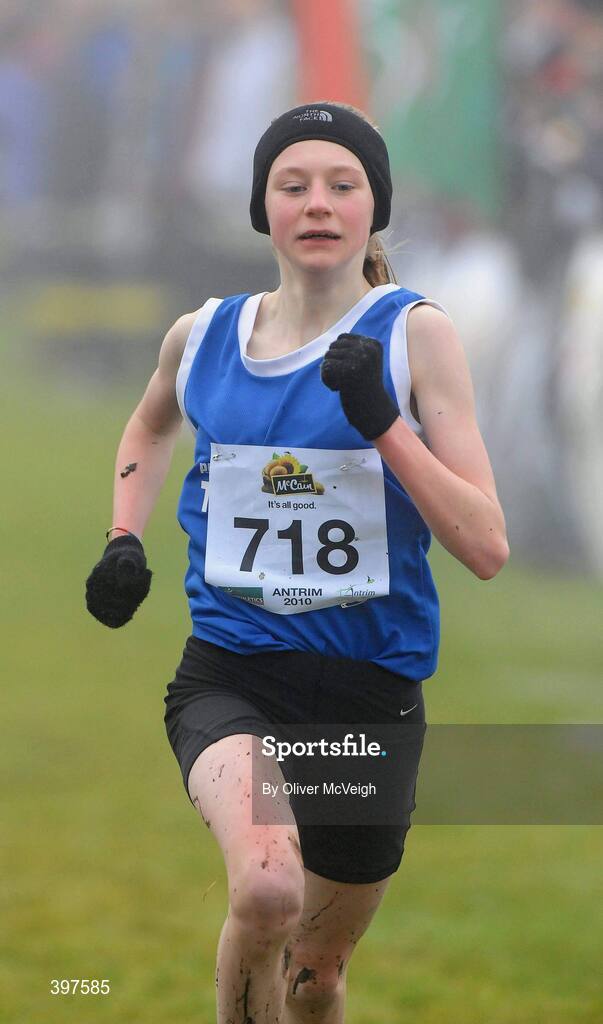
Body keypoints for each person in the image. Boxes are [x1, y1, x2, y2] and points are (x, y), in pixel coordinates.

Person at [85, 101, 509, 1024]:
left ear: (372, 209)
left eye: (341, 185)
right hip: (232, 676)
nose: (317, 204)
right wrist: (124, 536)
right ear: (262, 208)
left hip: (369, 692)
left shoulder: (416, 335)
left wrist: (382, 423)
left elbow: (484, 544)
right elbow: (152, 418)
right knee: (269, 888)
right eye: (292, 185)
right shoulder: (203, 333)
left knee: (317, 976)